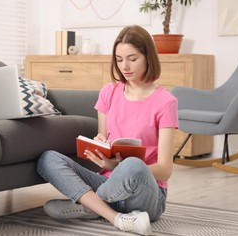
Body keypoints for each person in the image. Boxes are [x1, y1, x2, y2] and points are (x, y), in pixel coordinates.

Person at [37, 25, 178, 236]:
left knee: (133, 165)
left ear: (148, 57)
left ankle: (92, 205)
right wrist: (104, 154)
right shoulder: (109, 92)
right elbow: (105, 140)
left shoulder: (166, 102)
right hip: (109, 180)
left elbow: (165, 169)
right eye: (119, 59)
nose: (125, 66)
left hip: (147, 193)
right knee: (48, 159)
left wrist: (124, 168)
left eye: (132, 58)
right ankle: (116, 217)